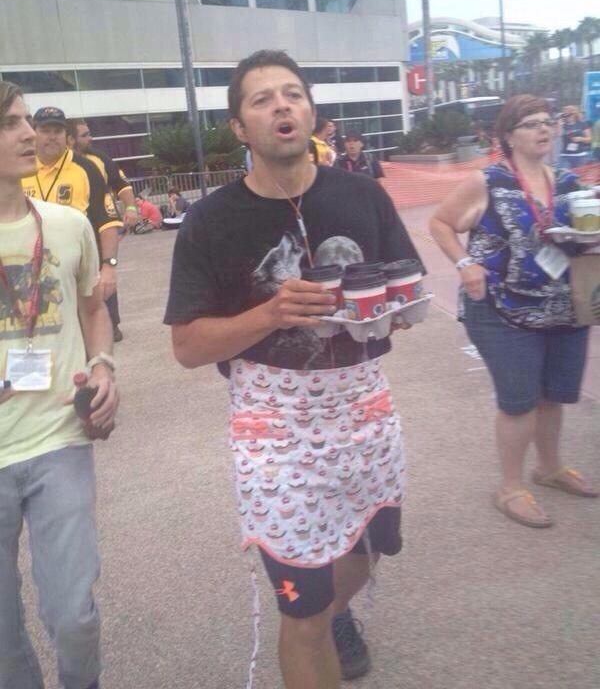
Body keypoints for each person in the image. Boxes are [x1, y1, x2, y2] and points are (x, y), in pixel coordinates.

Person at [164, 50, 423, 688]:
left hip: (365, 416)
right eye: (262, 99)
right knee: (301, 614)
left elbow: (406, 287)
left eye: (293, 94)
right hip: (276, 434)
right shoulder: (210, 221)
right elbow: (188, 346)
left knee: (366, 554)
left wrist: (393, 310)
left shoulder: (362, 196)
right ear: (239, 127)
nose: (282, 105)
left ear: (310, 111)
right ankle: (314, 619)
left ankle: (331, 613)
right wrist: (272, 313)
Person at [429, 94, 597, 530]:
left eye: (548, 121)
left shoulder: (568, 183)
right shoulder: (488, 181)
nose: (544, 129)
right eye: (531, 123)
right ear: (508, 135)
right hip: (500, 309)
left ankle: (549, 468)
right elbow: (440, 223)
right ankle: (510, 487)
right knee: (520, 402)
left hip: (564, 305)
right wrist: (465, 264)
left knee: (553, 395)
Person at [0, 81, 119, 689]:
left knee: (74, 616)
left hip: (58, 438)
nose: (28, 134)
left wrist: (102, 366)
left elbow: (93, 308)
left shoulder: (69, 226)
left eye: (25, 120)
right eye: (9, 124)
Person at [21, 106, 123, 344]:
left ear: (66, 136)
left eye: (57, 131)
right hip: (30, 275)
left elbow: (107, 222)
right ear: (34, 133)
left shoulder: (86, 169)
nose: (52, 136)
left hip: (78, 273)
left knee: (87, 341)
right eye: (45, 130)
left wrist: (109, 265)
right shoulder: (21, 169)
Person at [67, 118, 138, 342]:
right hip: (67, 237)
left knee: (103, 276)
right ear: (70, 139)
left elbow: (122, 185)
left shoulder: (98, 160)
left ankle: (111, 324)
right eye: (85, 135)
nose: (91, 138)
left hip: (98, 231)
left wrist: (131, 208)